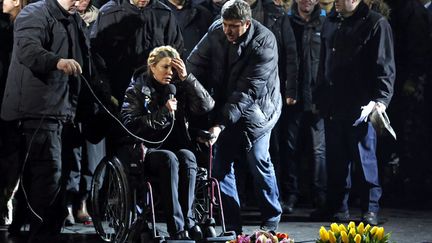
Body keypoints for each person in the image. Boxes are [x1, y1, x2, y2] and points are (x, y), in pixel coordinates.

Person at [187, 0, 282, 233]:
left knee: (259, 161)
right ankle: (231, 224)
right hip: (226, 109)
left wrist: (219, 125)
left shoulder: (265, 42)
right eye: (225, 24)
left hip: (258, 113)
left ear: (247, 24)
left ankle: (271, 218)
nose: (227, 30)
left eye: (234, 26)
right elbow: (195, 63)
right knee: (220, 168)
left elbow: (247, 91)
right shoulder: (216, 30)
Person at [0, 0, 91, 241]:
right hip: (36, 111)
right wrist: (57, 62)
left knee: (46, 176)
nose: (81, 1)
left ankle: (24, 228)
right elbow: (28, 49)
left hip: (62, 112)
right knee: (48, 175)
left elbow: (87, 63)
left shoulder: (73, 21)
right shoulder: (34, 13)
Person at [314, 0, 395, 225]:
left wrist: (381, 100)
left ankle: (370, 209)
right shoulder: (331, 21)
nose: (335, 2)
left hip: (361, 106)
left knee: (364, 159)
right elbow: (324, 61)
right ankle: (338, 208)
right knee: (336, 160)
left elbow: (385, 65)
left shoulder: (375, 23)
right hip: (333, 103)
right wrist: (319, 95)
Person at [121, 46, 214, 240]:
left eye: (173, 68)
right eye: (165, 67)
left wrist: (187, 78)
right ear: (152, 67)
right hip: (148, 150)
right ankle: (177, 228)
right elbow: (130, 124)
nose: (170, 73)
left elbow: (206, 106)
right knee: (170, 158)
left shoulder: (179, 86)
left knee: (188, 157)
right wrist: (164, 112)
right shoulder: (137, 88)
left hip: (178, 147)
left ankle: (188, 220)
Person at [243, 0, 298, 212]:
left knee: (270, 149)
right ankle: (246, 197)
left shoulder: (276, 14)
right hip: (243, 91)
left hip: (269, 92)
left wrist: (290, 89)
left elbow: (291, 54)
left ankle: (273, 198)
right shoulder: (232, 14)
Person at [90, 0, 184, 107]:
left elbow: (176, 52)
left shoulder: (164, 14)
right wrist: (106, 92)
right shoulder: (108, 14)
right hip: (118, 95)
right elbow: (96, 57)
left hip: (156, 97)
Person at [281, 0, 326, 214]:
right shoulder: (286, 22)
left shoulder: (325, 23)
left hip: (318, 98)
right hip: (293, 98)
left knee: (318, 150)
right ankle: (292, 194)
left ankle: (320, 196)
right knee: (290, 149)